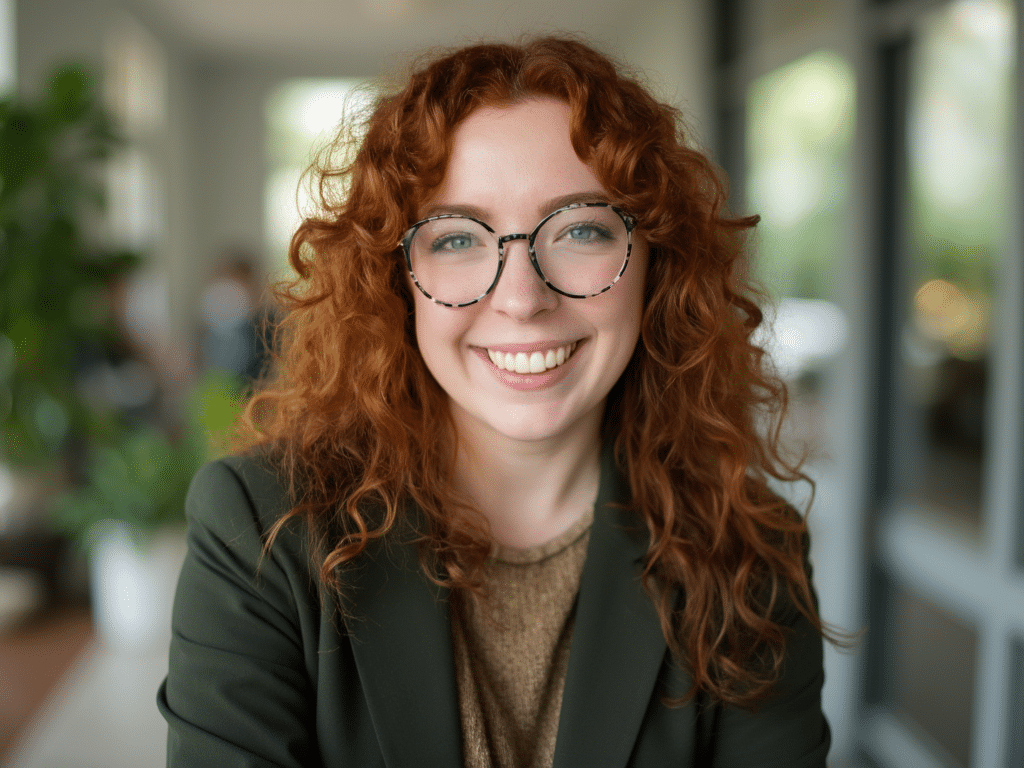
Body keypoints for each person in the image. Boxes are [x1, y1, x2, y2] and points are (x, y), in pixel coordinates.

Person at [158, 37, 833, 767]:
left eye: (580, 229)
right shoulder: (260, 528)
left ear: (656, 265)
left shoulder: (751, 553)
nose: (522, 298)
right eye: (455, 239)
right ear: (397, 281)